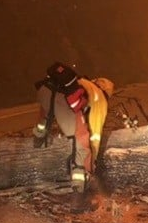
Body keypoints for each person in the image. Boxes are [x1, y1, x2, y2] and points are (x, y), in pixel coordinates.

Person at [34, 62, 114, 193]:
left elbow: (53, 106)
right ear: (106, 91)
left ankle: (38, 136)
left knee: (46, 113)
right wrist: (92, 161)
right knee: (82, 144)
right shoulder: (100, 98)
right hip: (66, 103)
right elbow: (95, 135)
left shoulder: (80, 82)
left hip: (45, 91)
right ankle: (79, 192)